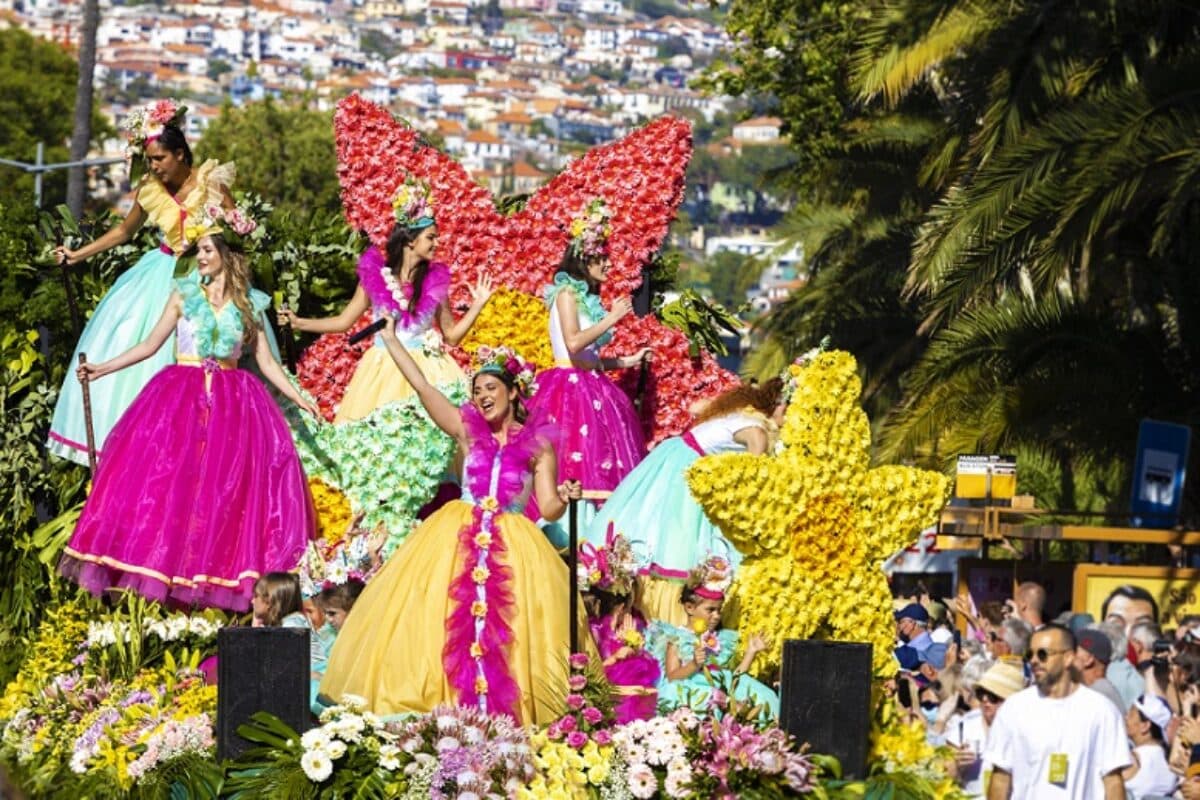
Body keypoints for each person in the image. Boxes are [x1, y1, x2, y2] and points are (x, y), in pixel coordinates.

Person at [319, 328, 585, 724]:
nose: (482, 396)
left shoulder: (538, 444)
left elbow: (547, 507)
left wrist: (565, 495)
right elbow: (424, 388)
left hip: (513, 538)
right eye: (477, 390)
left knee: (513, 629)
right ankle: (445, 710)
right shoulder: (466, 431)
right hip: (457, 533)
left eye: (490, 387)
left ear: (513, 392)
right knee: (440, 623)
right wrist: (392, 341)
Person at [58, 209, 317, 612]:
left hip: (233, 405)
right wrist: (102, 368)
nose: (200, 257)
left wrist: (300, 398)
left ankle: (207, 585)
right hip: (180, 398)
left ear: (227, 254)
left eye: (208, 250)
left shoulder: (248, 304)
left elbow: (267, 364)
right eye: (198, 250)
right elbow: (149, 345)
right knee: (169, 487)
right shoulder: (182, 295)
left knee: (223, 491)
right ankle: (166, 582)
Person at [279, 177, 494, 553]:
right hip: (382, 372)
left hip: (430, 370)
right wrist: (300, 322)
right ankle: (377, 537)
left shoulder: (437, 282)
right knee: (381, 453)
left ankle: (437, 531)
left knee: (436, 451)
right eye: (431, 237)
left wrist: (477, 306)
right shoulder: (375, 277)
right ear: (410, 240)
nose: (436, 244)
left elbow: (452, 336)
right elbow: (345, 321)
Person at [49, 100, 244, 465]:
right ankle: (138, 448)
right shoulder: (149, 189)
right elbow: (124, 230)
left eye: (159, 159)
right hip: (161, 274)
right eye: (150, 159)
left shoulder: (212, 184)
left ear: (180, 154)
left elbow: (235, 233)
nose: (153, 166)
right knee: (138, 345)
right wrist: (78, 254)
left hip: (208, 278)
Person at [583, 378, 785, 623]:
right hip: (685, 471)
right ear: (776, 406)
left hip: (675, 459)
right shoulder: (757, 431)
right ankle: (672, 615)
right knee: (678, 543)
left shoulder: (740, 414)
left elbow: (697, 408)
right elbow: (757, 476)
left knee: (660, 531)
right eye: (787, 407)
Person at [523, 198, 650, 536]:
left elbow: (587, 356)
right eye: (603, 257)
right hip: (568, 391)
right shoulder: (566, 294)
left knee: (602, 463)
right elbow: (574, 342)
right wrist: (612, 319)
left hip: (591, 386)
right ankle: (566, 531)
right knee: (571, 460)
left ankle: (595, 539)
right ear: (586, 256)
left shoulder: (587, 300)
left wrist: (623, 361)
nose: (609, 264)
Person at [984, 624, 1131, 799]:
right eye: (1030, 654)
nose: (1034, 661)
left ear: (1068, 657)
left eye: (1043, 654)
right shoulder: (1014, 708)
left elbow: (1113, 781)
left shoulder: (1102, 711)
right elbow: (1001, 777)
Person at [646, 556, 779, 718]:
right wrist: (694, 664)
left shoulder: (720, 639)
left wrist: (751, 652)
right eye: (710, 610)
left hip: (724, 687)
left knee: (765, 696)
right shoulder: (678, 637)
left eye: (719, 610)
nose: (716, 616)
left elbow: (734, 677)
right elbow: (672, 676)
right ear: (689, 608)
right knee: (711, 699)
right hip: (695, 688)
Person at [578, 530, 661, 722]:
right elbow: (589, 671)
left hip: (633, 686)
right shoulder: (593, 629)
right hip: (603, 688)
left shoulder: (633, 622)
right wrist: (615, 657)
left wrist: (634, 647)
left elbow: (643, 660)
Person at [945, 658, 1024, 798]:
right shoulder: (964, 727)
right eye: (981, 694)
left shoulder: (1026, 731)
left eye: (994, 697)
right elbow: (942, 776)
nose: (986, 700)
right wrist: (957, 765)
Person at [310, 578, 365, 715]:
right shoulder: (332, 634)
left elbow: (355, 682)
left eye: (333, 613)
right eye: (326, 613)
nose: (328, 619)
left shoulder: (360, 640)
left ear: (353, 611)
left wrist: (321, 679)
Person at [1122, 694, 1177, 799]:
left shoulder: (1130, 760)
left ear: (1145, 726)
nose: (1126, 717)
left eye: (1131, 714)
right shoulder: (1172, 766)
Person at [1075, 627, 1126, 711]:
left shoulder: (1098, 693)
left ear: (1088, 659)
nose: (1068, 657)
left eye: (1073, 651)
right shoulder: (1095, 688)